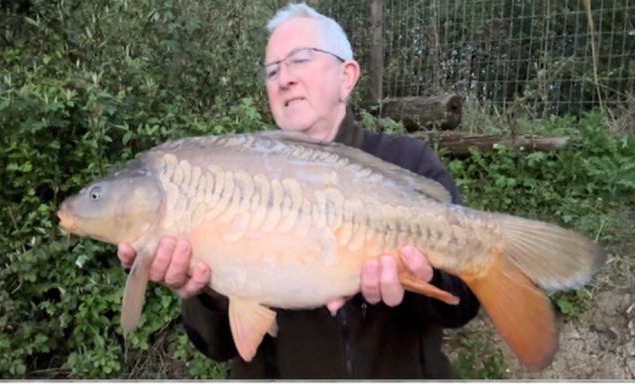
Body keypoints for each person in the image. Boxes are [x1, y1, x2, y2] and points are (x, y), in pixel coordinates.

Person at [117, 3, 479, 379]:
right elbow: (216, 347)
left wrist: (426, 280)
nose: (283, 78)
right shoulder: (228, 174)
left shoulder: (407, 160)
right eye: (272, 70)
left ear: (347, 76)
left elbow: (463, 304)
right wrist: (205, 291)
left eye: (300, 59)